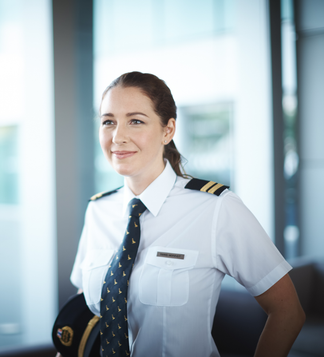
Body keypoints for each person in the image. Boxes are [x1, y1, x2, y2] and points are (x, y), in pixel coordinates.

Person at [61, 71, 305, 357]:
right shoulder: (98, 210)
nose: (118, 136)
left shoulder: (215, 208)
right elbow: (85, 311)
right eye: (108, 122)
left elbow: (288, 311)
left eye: (135, 121)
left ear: (168, 130)